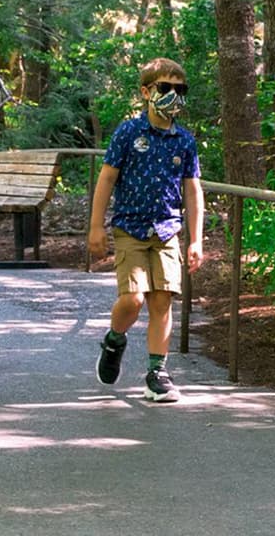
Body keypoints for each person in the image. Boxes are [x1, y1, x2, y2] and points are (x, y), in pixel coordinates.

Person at [88, 57, 204, 403]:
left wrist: (196, 238)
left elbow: (193, 189)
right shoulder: (129, 132)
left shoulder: (184, 140)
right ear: (146, 92)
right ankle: (114, 340)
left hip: (168, 229)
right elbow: (107, 177)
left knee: (162, 300)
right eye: (164, 88)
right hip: (130, 228)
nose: (173, 96)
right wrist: (96, 227)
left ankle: (157, 371)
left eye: (179, 90)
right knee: (133, 299)